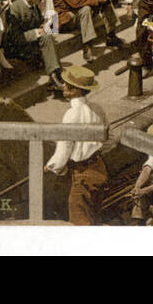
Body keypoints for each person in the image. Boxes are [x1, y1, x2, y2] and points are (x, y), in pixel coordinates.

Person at [44, 65, 109, 225]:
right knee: (94, 216)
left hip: (82, 174)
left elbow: (65, 147)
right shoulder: (97, 109)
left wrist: (52, 166)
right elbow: (108, 135)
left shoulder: (71, 114)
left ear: (75, 90)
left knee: (80, 222)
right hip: (98, 168)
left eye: (67, 84)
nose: (63, 87)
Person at [4, 0, 65, 93]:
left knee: (48, 36)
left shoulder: (34, 5)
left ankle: (54, 75)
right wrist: (37, 32)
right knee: (46, 38)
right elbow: (14, 38)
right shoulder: (15, 9)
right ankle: (55, 75)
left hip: (30, 43)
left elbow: (38, 22)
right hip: (18, 48)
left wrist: (44, 25)